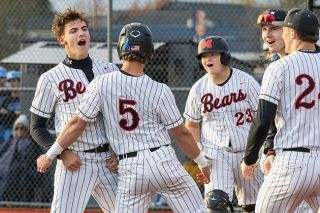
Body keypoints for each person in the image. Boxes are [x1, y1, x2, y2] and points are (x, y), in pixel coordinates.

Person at [37, 22, 210, 213]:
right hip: (162, 160)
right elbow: (183, 135)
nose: (81, 33)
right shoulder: (161, 90)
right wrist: (202, 162)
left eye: (84, 29)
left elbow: (77, 123)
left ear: (121, 48)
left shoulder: (102, 81)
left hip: (130, 165)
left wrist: (50, 154)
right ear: (150, 51)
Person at [29, 8, 118, 213]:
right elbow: (36, 126)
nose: (81, 33)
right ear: (63, 40)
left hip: (109, 161)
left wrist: (120, 154)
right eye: (73, 30)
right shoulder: (51, 78)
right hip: (75, 161)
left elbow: (119, 118)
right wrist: (62, 154)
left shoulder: (110, 70)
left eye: (84, 29)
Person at [241, 8, 320, 213]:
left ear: (291, 33)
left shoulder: (279, 68)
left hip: (292, 162)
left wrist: (249, 159)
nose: (269, 34)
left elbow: (263, 118)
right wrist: (269, 149)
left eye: (278, 28)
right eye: (264, 29)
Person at [183, 35, 263, 213]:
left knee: (254, 206)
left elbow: (262, 118)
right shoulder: (198, 88)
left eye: (212, 54)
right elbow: (191, 125)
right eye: (203, 56)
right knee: (215, 203)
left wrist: (260, 151)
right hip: (216, 155)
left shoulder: (246, 81)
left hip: (248, 151)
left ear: (225, 57)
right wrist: (200, 154)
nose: (207, 59)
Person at [0, 114, 44, 202]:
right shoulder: (10, 141)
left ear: (27, 130)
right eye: (17, 128)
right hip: (5, 172)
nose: (19, 131)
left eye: (22, 128)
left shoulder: (32, 142)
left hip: (23, 176)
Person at [0, 70, 21, 142]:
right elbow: (2, 116)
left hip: (20, 128)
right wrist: (14, 113)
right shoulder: (6, 99)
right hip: (7, 128)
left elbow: (22, 115)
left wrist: (8, 113)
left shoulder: (23, 98)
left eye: (14, 80)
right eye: (9, 81)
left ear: (20, 82)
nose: (11, 83)